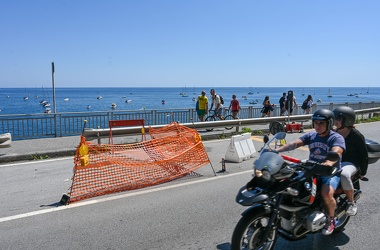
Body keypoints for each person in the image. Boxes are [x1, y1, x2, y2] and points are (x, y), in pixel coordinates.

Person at [274, 109, 345, 235]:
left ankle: (331, 220)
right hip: (312, 168)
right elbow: (294, 143)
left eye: (321, 123)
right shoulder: (311, 135)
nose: (318, 126)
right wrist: (277, 150)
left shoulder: (336, 137)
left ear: (329, 124)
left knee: (326, 193)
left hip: (329, 171)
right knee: (288, 181)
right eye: (316, 123)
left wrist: (329, 161)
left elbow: (337, 150)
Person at [333, 106, 368, 216]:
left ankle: (351, 202)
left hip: (351, 163)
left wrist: (362, 172)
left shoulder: (356, 136)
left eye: (338, 119)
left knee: (343, 174)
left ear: (347, 120)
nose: (335, 121)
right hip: (336, 161)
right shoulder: (334, 132)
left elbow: (363, 155)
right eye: (335, 118)